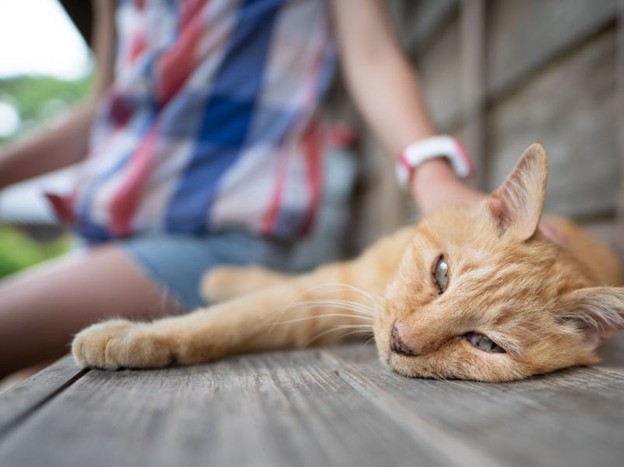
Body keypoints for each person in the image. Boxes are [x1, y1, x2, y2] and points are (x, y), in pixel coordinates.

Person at [0, 0, 485, 380]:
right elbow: (104, 111)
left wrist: (432, 172)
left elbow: (374, 56)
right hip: (113, 225)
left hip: (229, 230)